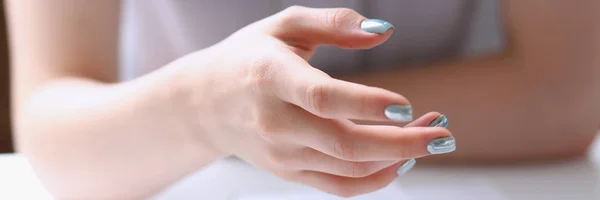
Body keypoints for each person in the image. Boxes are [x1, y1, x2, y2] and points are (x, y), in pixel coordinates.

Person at [5, 0, 599, 199]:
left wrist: (288, 114)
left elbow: (562, 93)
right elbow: (53, 120)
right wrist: (204, 111)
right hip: (183, 175)